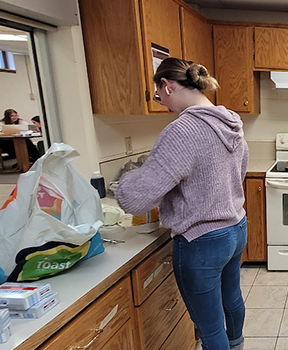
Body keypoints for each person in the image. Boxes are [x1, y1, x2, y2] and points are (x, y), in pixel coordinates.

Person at [114, 58, 249, 350]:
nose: (161, 102)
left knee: (211, 328)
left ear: (167, 85)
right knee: (232, 300)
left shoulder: (182, 130)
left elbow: (136, 200)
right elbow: (237, 174)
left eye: (158, 95)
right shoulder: (231, 122)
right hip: (236, 228)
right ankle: (237, 345)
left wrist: (125, 179)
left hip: (202, 240)